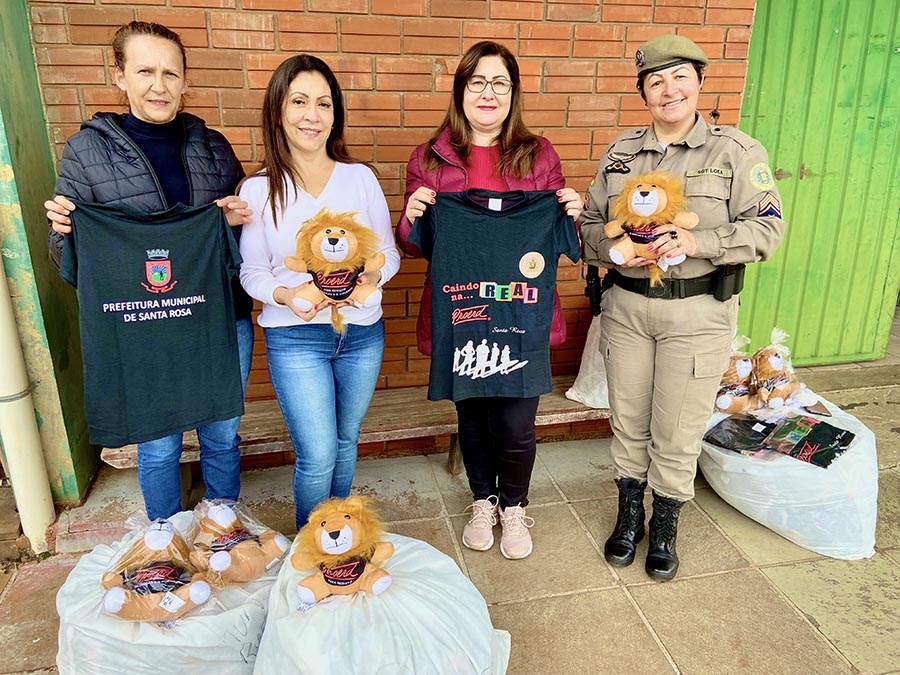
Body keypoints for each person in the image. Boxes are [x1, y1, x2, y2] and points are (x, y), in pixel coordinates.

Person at [580, 34, 786, 580]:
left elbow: (768, 229)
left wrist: (699, 242)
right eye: (655, 80)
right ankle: (630, 516)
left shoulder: (738, 152)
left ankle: (665, 523)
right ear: (643, 91)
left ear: (698, 81)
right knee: (627, 420)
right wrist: (618, 245)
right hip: (626, 307)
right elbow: (587, 228)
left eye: (678, 77)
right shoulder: (621, 152)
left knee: (678, 427)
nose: (667, 89)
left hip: (697, 312)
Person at [44, 21, 254, 522]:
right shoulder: (87, 152)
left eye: (170, 73)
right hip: (145, 325)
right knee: (159, 442)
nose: (158, 85)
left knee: (221, 432)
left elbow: (245, 245)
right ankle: (163, 534)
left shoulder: (214, 146)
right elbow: (72, 264)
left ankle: (223, 521)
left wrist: (233, 220)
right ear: (119, 75)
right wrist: (68, 235)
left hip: (218, 320)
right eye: (144, 71)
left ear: (185, 81)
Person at [396, 41, 583, 560]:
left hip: (523, 313)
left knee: (517, 421)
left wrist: (571, 210)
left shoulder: (538, 153)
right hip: (461, 313)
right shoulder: (430, 155)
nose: (488, 92)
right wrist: (411, 215)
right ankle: (484, 499)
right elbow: (414, 244)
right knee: (473, 417)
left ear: (513, 93)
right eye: (477, 82)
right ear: (460, 90)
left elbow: (564, 237)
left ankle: (515, 506)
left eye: (499, 83)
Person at [238, 55, 400, 529]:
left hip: (362, 335)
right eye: (300, 102)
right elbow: (252, 273)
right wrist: (290, 296)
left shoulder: (360, 178)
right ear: (278, 111)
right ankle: (313, 545)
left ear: (336, 114)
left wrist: (370, 282)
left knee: (347, 441)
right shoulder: (258, 189)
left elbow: (386, 254)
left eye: (324, 103)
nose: (313, 115)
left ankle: (339, 540)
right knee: (317, 452)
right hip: (295, 340)